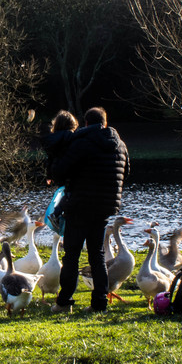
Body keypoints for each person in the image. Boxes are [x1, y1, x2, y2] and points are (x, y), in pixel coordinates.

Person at [49, 106, 129, 313]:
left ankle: (64, 302)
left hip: (79, 205)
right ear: (105, 122)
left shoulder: (81, 143)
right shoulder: (120, 145)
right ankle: (99, 304)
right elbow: (126, 172)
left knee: (72, 256)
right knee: (97, 255)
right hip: (104, 207)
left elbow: (60, 171)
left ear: (86, 123)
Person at [41, 110, 79, 228]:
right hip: (68, 169)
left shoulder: (52, 139)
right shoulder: (72, 137)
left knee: (67, 191)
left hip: (56, 171)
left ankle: (59, 214)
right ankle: (57, 213)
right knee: (72, 191)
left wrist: (49, 176)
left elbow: (50, 159)